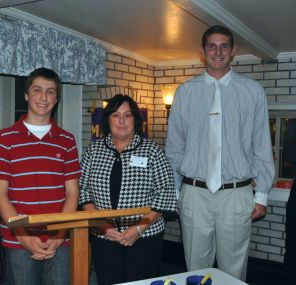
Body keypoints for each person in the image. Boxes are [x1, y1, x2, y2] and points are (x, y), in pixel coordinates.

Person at [165, 25, 275, 281]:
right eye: (212, 46)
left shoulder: (252, 92)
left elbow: (261, 146)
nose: (218, 51)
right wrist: (174, 194)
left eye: (224, 45)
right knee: (195, 269)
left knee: (233, 271)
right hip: (194, 194)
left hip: (237, 195)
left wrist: (262, 195)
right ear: (203, 51)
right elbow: (175, 149)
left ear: (233, 50)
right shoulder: (185, 92)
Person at [0, 67, 80, 285]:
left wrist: (59, 233)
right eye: (37, 90)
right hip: (18, 240)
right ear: (27, 95)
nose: (43, 97)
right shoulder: (4, 139)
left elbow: (72, 192)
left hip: (60, 239)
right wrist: (23, 235)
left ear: (56, 98)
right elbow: (0, 195)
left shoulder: (67, 140)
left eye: (50, 91)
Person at [79, 94, 177, 285]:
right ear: (107, 120)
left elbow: (166, 192)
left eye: (127, 115)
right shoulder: (94, 150)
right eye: (116, 115)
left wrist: (138, 228)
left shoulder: (152, 151)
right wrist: (102, 225)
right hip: (104, 237)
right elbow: (82, 189)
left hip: (144, 237)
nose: (122, 121)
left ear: (135, 120)